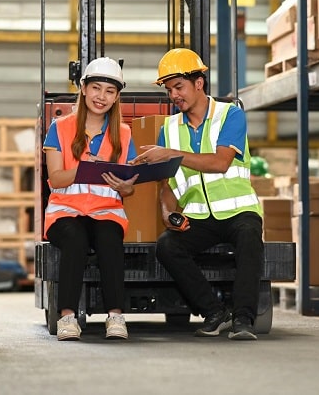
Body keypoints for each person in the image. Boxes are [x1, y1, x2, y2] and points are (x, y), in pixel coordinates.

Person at [132, 48, 265, 341]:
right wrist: (169, 214)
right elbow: (166, 185)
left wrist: (171, 153)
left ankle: (243, 318)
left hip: (238, 211)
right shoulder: (169, 128)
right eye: (169, 90)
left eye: (178, 87)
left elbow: (220, 163)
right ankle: (215, 312)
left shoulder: (230, 115)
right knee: (167, 246)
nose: (174, 95)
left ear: (199, 83)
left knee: (248, 236)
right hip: (198, 216)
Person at [42, 57, 138, 341]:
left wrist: (126, 186)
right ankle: (68, 317)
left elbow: (128, 187)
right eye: (96, 88)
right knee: (75, 240)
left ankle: (116, 316)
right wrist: (85, 168)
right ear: (83, 88)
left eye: (109, 91)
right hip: (65, 212)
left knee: (110, 241)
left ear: (117, 96)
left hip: (106, 211)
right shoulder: (60, 127)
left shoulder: (123, 133)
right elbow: (56, 178)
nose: (101, 97)